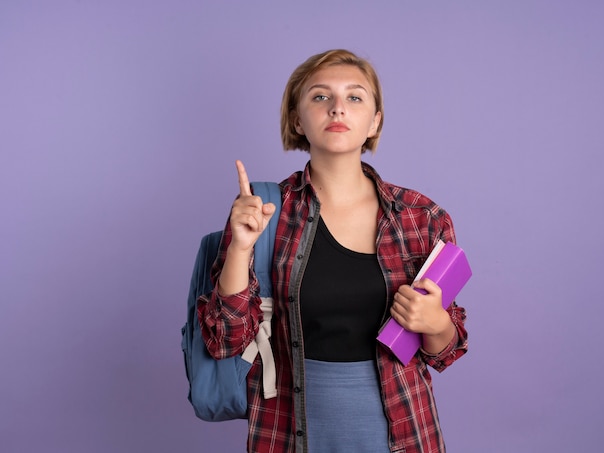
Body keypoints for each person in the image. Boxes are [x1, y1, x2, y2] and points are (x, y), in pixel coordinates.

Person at [197, 49, 468, 453]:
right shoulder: (265, 211)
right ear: (297, 119)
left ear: (374, 121)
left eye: (355, 97)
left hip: (404, 434)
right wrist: (239, 246)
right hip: (289, 432)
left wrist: (436, 323)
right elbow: (225, 342)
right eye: (320, 97)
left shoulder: (421, 217)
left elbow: (446, 351)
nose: (338, 108)